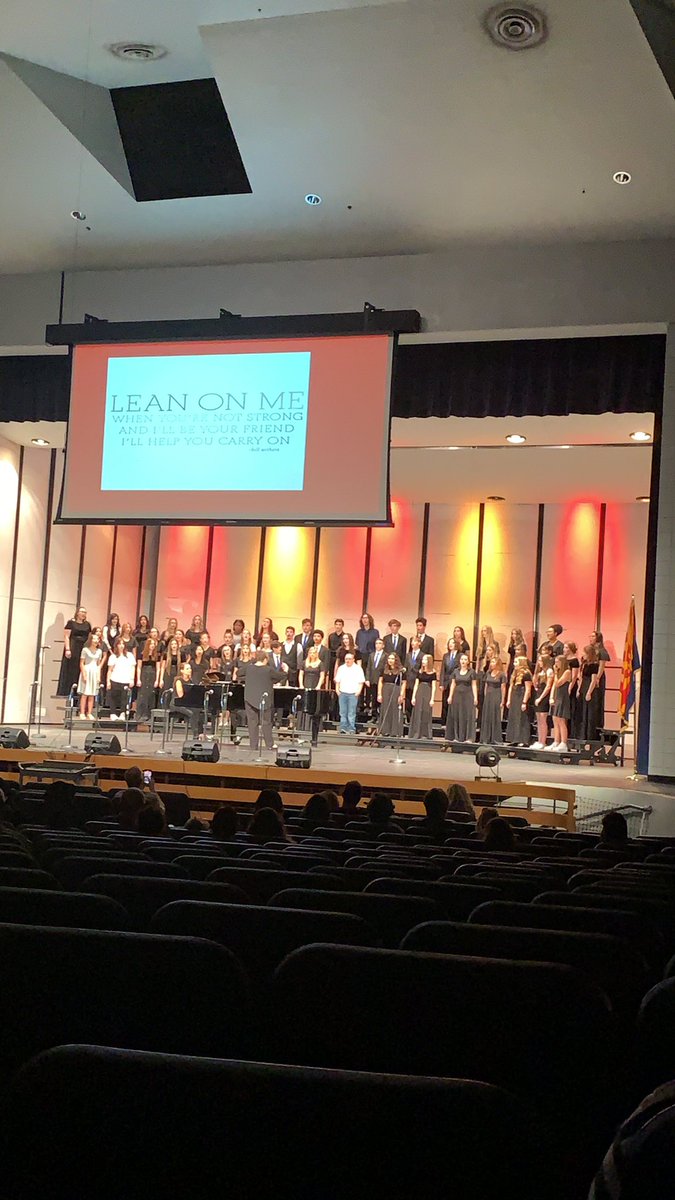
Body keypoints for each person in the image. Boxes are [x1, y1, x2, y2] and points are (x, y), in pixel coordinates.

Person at [244, 650, 287, 752]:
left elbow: (238, 673)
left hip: (249, 698)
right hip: (265, 699)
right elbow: (281, 676)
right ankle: (269, 744)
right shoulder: (268, 670)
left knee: (252, 722)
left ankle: (253, 746)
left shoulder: (249, 668)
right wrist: (285, 670)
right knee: (266, 722)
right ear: (265, 659)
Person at [57, 606, 92, 696]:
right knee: (71, 668)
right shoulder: (71, 623)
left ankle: (79, 691)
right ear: (77, 613)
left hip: (83, 647)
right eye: (82, 612)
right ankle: (68, 691)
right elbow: (66, 637)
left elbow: (89, 637)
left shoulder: (87, 625)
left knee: (80, 668)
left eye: (85, 612)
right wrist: (68, 649)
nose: (83, 614)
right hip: (73, 646)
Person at [447, 653, 478, 742]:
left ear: (468, 661)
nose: (463, 661)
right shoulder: (455, 671)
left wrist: (475, 697)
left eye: (465, 659)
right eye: (462, 659)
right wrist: (450, 696)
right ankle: (457, 737)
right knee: (457, 715)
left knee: (467, 716)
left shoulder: (471, 672)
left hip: (468, 696)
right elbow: (453, 684)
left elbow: (474, 685)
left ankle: (468, 738)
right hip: (457, 696)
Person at [335, 650, 365, 734]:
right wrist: (337, 690)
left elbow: (361, 681)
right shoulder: (341, 668)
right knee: (343, 712)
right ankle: (343, 728)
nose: (347, 660)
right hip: (342, 692)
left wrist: (358, 691)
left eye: (349, 659)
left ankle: (351, 728)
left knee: (351, 712)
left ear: (353, 659)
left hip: (353, 693)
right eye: (346, 659)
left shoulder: (358, 669)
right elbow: (337, 680)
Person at [505, 655, 533, 745]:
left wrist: (524, 702)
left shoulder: (526, 674)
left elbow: (528, 689)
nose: (514, 664)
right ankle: (514, 739)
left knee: (522, 718)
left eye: (516, 662)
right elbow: (511, 687)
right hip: (514, 696)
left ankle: (523, 740)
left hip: (521, 696)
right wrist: (509, 699)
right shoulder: (514, 673)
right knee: (514, 717)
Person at [106, 636, 136, 719]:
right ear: (116, 645)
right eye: (119, 644)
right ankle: (113, 713)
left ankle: (122, 713)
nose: (122, 646)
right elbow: (110, 670)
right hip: (115, 679)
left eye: (123, 644)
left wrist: (132, 679)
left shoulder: (129, 655)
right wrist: (108, 681)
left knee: (124, 698)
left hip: (125, 679)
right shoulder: (113, 656)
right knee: (113, 697)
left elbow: (133, 668)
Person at [171, 661, 204, 738]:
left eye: (190, 668)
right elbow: (180, 695)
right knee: (191, 713)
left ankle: (201, 733)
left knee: (199, 711)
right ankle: (195, 734)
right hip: (177, 703)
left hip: (186, 703)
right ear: (182, 671)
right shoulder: (178, 680)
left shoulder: (190, 681)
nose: (190, 670)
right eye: (187, 668)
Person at [376, 652, 405, 737]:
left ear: (396, 660)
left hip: (396, 690)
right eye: (389, 659)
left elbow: (404, 683)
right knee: (385, 709)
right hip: (385, 690)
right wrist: (379, 694)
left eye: (392, 659)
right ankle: (385, 730)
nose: (390, 660)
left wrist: (401, 695)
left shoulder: (400, 671)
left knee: (394, 710)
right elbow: (380, 682)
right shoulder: (383, 669)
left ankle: (395, 731)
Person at [408, 653, 437, 739]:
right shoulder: (419, 672)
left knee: (426, 712)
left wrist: (432, 699)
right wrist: (413, 697)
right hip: (419, 692)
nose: (423, 661)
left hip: (427, 692)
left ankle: (426, 733)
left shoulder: (433, 673)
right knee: (418, 711)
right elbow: (416, 685)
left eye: (425, 660)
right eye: (423, 660)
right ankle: (416, 733)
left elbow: (434, 687)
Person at [480, 656, 507, 743]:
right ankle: (485, 738)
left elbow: (503, 688)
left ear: (498, 663)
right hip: (488, 697)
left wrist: (502, 701)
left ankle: (495, 738)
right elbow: (486, 685)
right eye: (491, 662)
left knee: (495, 716)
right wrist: (485, 696)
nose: (491, 664)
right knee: (487, 716)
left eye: (493, 662)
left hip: (496, 696)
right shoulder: (488, 672)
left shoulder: (502, 674)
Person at [579, 644, 603, 739]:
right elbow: (581, 678)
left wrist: (589, 692)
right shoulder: (585, 664)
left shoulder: (594, 665)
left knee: (590, 713)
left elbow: (593, 680)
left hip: (590, 688)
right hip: (584, 687)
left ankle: (590, 736)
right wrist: (578, 689)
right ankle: (582, 735)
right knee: (583, 713)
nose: (583, 654)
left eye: (584, 653)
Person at [440, 634, 465, 725]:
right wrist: (441, 683)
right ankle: (444, 722)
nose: (450, 644)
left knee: (454, 702)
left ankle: (453, 722)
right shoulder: (445, 655)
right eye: (449, 643)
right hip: (446, 682)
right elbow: (443, 670)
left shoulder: (460, 655)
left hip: (456, 682)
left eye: (452, 642)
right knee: (445, 702)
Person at [77, 630, 103, 719]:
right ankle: (82, 712)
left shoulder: (99, 651)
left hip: (94, 672)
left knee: (92, 694)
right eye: (94, 639)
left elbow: (98, 664)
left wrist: (99, 676)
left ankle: (89, 712)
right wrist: (84, 674)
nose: (96, 641)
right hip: (87, 671)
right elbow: (81, 663)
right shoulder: (85, 650)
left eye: (97, 639)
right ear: (90, 640)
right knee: (85, 693)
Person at [549, 654, 572, 752]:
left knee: (561, 721)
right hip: (557, 696)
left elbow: (558, 683)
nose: (555, 664)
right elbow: (554, 685)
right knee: (555, 719)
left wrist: (555, 673)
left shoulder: (567, 672)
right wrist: (551, 697)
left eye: (557, 662)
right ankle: (556, 741)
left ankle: (563, 742)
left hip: (563, 697)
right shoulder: (558, 672)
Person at [531, 653, 554, 749]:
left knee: (543, 719)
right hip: (538, 694)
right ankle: (539, 740)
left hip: (544, 696)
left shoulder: (549, 671)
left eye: (540, 661)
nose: (539, 663)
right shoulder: (541, 671)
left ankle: (543, 741)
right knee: (539, 719)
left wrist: (541, 698)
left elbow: (548, 686)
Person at [364, 637, 386, 722]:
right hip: (372, 680)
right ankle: (373, 716)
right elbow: (368, 667)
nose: (378, 645)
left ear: (383, 645)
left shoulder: (386, 655)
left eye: (380, 643)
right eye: (376, 643)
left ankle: (380, 717)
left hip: (381, 681)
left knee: (379, 698)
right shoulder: (372, 655)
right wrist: (367, 679)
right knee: (373, 698)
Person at [404, 637, 424, 718]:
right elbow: (406, 666)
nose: (412, 643)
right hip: (408, 681)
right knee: (408, 700)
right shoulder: (408, 655)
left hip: (417, 681)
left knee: (416, 700)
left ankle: (415, 718)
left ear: (419, 643)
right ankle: (408, 717)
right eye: (412, 642)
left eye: (415, 641)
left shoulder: (422, 655)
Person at [564, 640, 581, 738]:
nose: (564, 649)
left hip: (571, 686)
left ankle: (570, 735)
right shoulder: (563, 659)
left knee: (570, 709)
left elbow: (574, 676)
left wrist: (570, 688)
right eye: (564, 647)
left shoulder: (574, 661)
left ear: (571, 649)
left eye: (566, 648)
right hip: (563, 685)